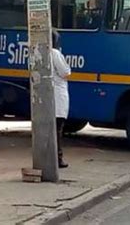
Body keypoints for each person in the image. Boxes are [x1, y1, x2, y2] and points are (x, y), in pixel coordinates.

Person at [52, 30, 71, 168]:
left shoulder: (38, 52)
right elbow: (65, 72)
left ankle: (51, 157)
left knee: (50, 129)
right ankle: (57, 158)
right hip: (57, 96)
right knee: (57, 129)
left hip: (47, 97)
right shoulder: (55, 53)